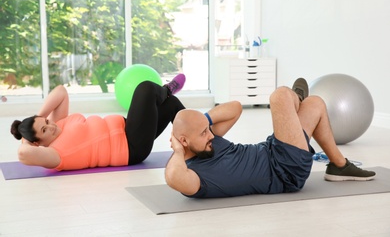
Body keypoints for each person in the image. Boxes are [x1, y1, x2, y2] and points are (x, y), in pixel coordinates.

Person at [165, 78, 376, 198]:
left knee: (316, 104)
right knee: (280, 96)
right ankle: (294, 102)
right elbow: (173, 177)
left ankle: (339, 166)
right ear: (183, 142)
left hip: (273, 149)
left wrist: (203, 121)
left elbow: (235, 108)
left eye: (208, 130)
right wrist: (177, 151)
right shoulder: (194, 177)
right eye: (203, 133)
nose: (210, 134)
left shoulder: (207, 142)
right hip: (284, 171)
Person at [10, 74, 186, 171]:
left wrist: (37, 118)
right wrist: (26, 138)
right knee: (145, 88)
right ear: (36, 143)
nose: (51, 125)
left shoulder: (58, 123)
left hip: (129, 127)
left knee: (172, 106)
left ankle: (199, 137)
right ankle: (166, 90)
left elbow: (60, 91)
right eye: (44, 129)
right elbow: (23, 154)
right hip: (131, 147)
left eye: (47, 122)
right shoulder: (55, 155)